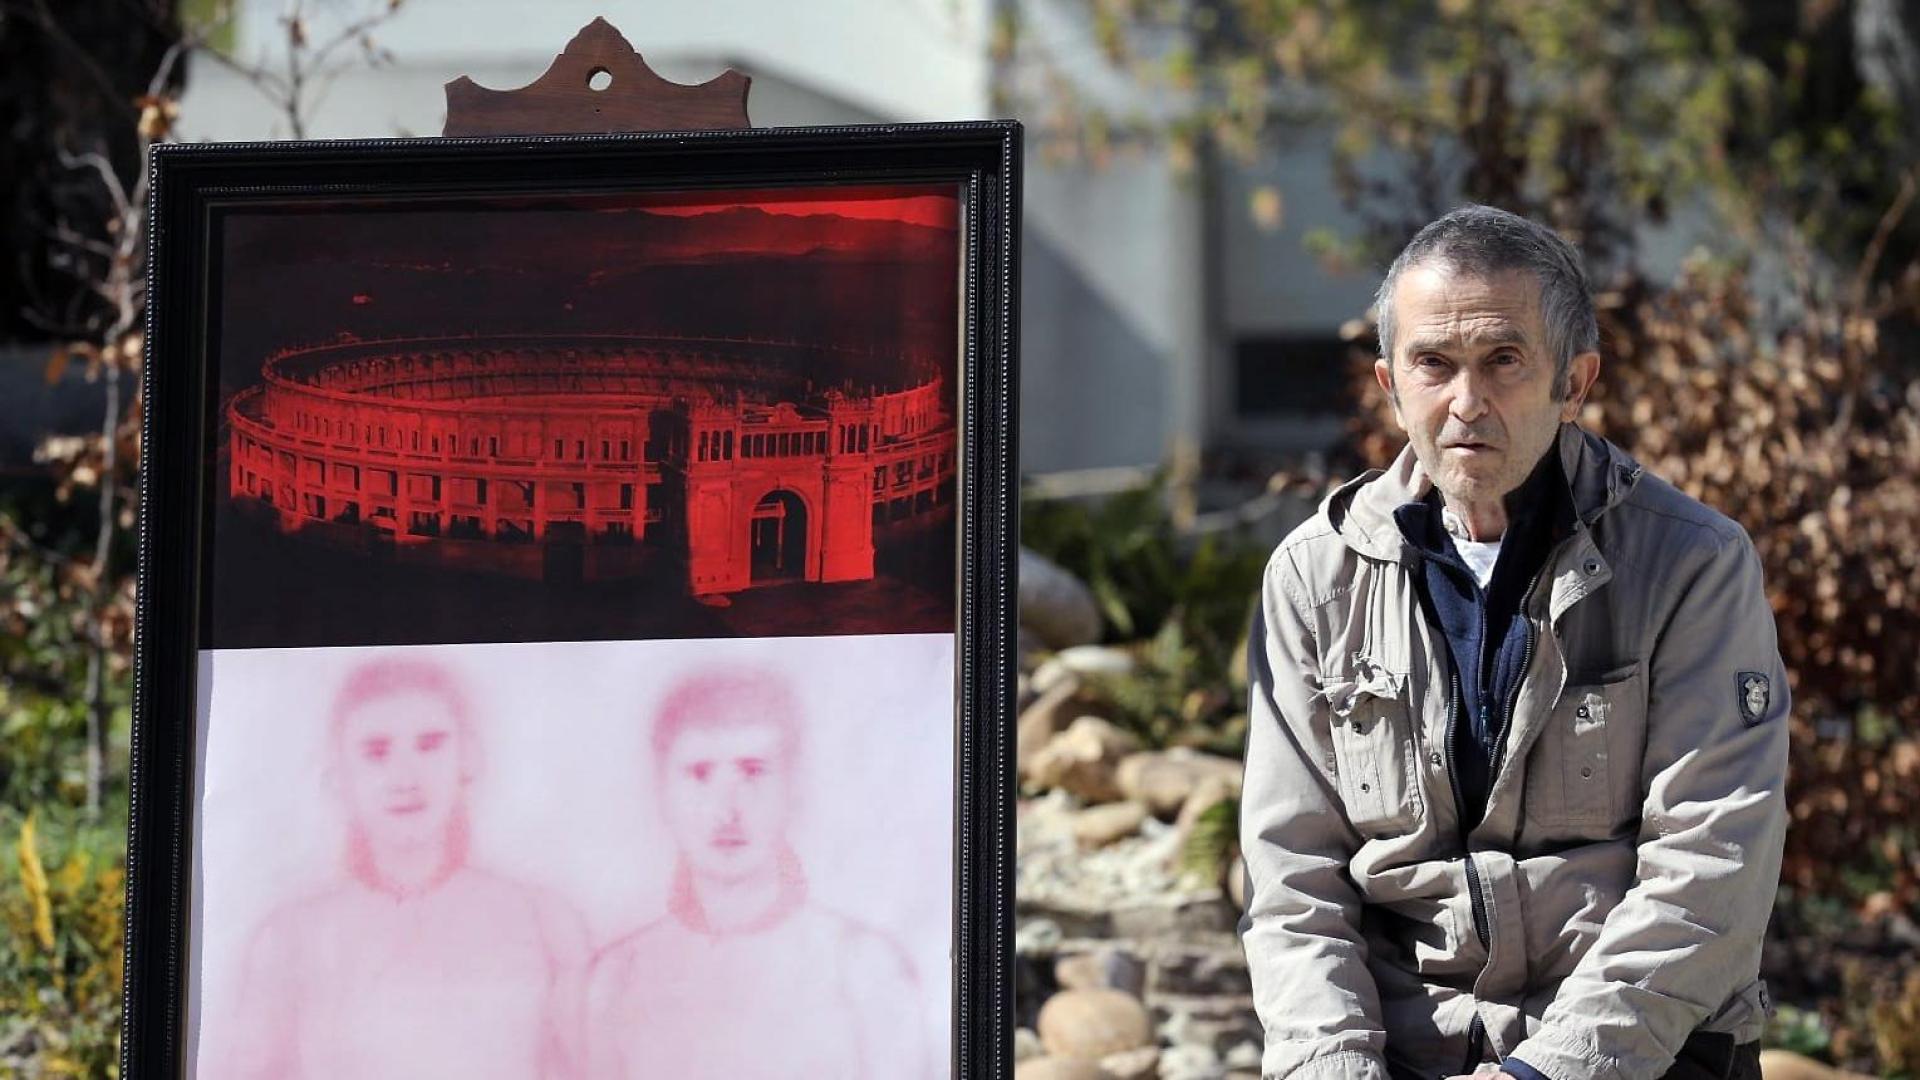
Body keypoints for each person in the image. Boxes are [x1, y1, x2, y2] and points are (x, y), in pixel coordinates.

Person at [1237, 204, 1789, 1080]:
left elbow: (1711, 871)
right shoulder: (1315, 578)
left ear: (1575, 383)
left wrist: (1544, 1074)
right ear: (1389, 383)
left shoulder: (1692, 562)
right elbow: (1294, 882)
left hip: (1636, 1055)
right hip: (1405, 1053)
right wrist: (1333, 1066)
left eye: (1503, 360)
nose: (1466, 402)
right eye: (1433, 364)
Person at [218, 658, 590, 1079]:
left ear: (467, 758)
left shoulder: (545, 925)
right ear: (340, 778)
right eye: (376, 752)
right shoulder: (287, 943)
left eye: (430, 745)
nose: (406, 776)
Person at [586, 667, 930, 1079]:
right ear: (662, 791)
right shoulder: (618, 978)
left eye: (752, 770)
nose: (727, 808)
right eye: (700, 773)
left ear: (794, 787)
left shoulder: (863, 969)